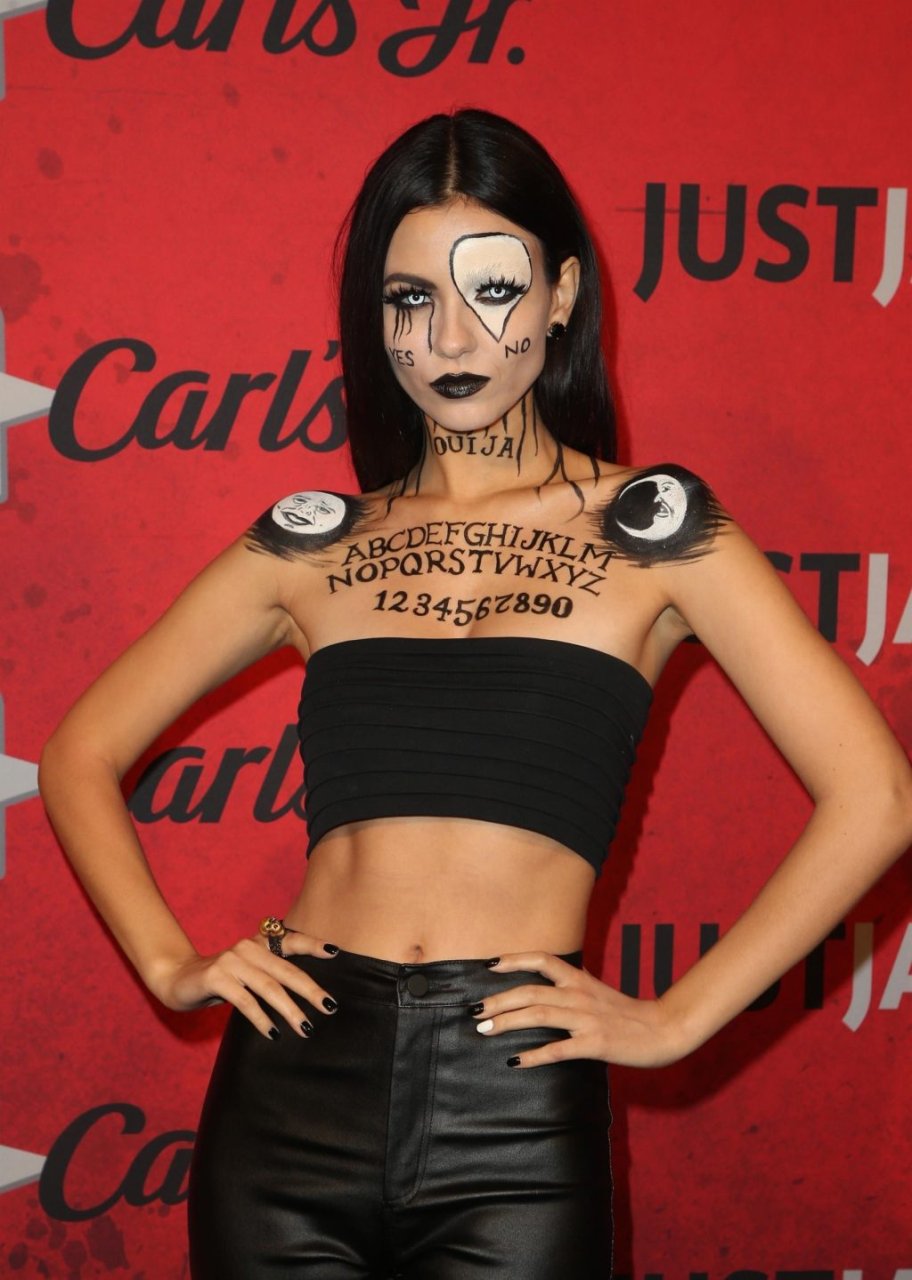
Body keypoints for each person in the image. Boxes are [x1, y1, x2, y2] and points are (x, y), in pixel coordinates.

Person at [39, 109, 912, 1279]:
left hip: (516, 1102)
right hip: (289, 1084)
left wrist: (676, 1017)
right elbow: (78, 753)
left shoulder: (655, 529)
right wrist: (170, 962)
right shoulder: (315, 542)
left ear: (560, 296)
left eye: (492, 289)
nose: (451, 335)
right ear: (375, 315)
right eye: (411, 298)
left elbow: (877, 796)